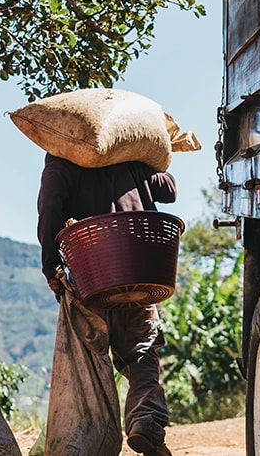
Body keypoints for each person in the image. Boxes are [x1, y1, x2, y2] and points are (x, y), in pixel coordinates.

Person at [37, 152, 177, 456]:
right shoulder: (131, 156)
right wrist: (152, 162)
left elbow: (49, 209)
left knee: (87, 361)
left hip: (91, 274)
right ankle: (146, 421)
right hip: (137, 270)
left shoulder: (61, 161)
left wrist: (51, 267)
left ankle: (87, 442)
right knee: (142, 350)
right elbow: (170, 190)